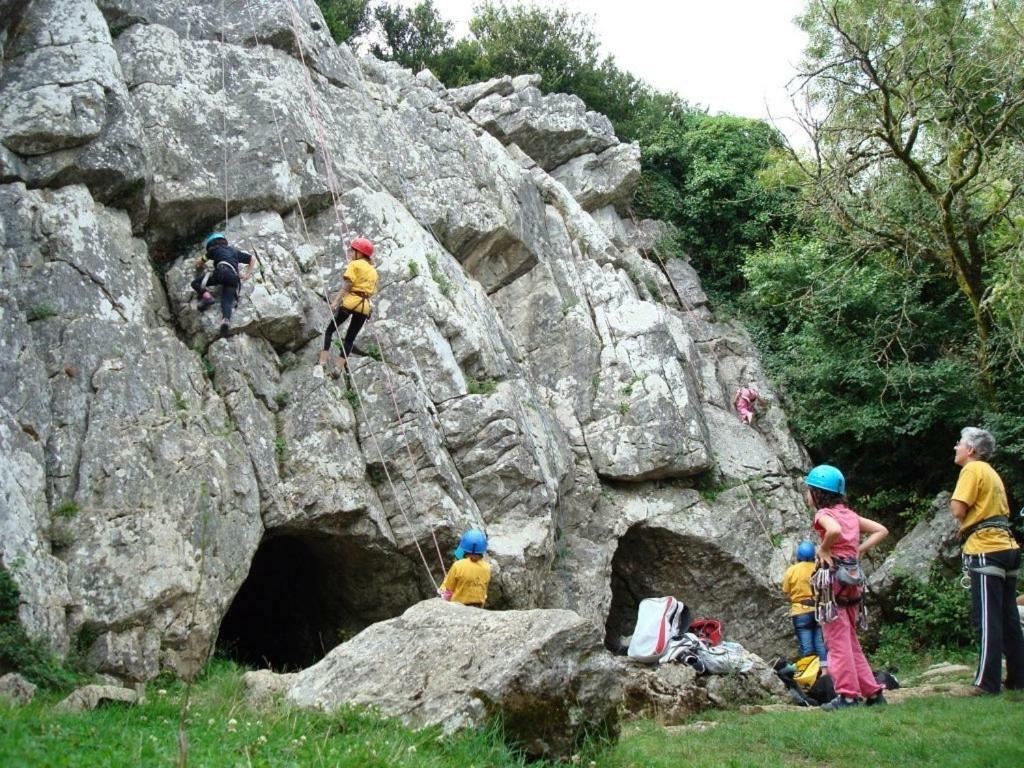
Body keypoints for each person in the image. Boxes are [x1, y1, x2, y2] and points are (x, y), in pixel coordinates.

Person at [805, 464, 889, 710]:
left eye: (810, 490)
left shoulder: (824, 515)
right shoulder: (851, 515)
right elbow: (881, 530)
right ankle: (873, 693)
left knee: (837, 644)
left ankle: (848, 696)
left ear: (818, 493)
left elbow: (834, 531)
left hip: (835, 584)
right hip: (853, 580)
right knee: (850, 641)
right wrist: (857, 551)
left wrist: (823, 548)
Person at [949, 426, 1024, 694]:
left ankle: (987, 683)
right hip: (1008, 546)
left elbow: (958, 509)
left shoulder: (971, 470)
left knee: (988, 618)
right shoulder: (992, 472)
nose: (955, 447)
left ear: (970, 450)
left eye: (959, 443)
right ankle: (1018, 678)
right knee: (1008, 617)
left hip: (986, 547)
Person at [315, 237, 378, 379]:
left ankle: (323, 361)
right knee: (349, 339)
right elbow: (371, 292)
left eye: (353, 250)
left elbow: (347, 286)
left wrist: (336, 302)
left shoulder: (355, 264)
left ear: (360, 253)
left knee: (330, 330)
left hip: (351, 302)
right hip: (364, 307)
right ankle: (338, 368)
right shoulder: (374, 272)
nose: (350, 253)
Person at [192, 232, 256, 336]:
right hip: (233, 278)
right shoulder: (234, 251)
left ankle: (207, 297)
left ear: (211, 245)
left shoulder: (214, 250)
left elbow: (200, 261)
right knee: (227, 301)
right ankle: (225, 320)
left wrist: (197, 263)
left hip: (221, 272)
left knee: (195, 283)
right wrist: (246, 275)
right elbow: (252, 258)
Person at [782, 540, 828, 668]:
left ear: (798, 555)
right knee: (820, 644)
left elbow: (786, 592)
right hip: (819, 609)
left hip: (800, 611)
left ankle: (809, 675)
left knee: (807, 647)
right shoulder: (818, 568)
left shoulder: (791, 571)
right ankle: (825, 673)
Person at [439, 529, 491, 607]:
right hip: (478, 606)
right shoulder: (487, 567)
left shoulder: (458, 565)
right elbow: (484, 590)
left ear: (464, 549)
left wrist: (443, 602)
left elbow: (448, 590)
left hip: (458, 606)